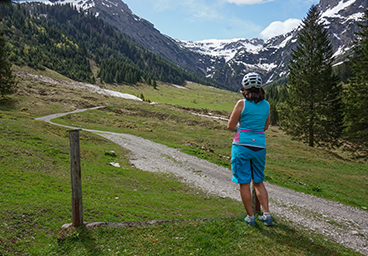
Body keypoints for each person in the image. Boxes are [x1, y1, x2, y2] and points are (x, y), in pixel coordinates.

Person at [227, 72, 272, 226]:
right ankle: (266, 215)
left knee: (244, 183)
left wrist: (241, 128)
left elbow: (230, 126)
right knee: (258, 181)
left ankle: (250, 217)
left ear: (244, 89)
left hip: (242, 145)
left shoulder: (241, 104)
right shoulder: (266, 105)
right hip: (260, 146)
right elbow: (265, 127)